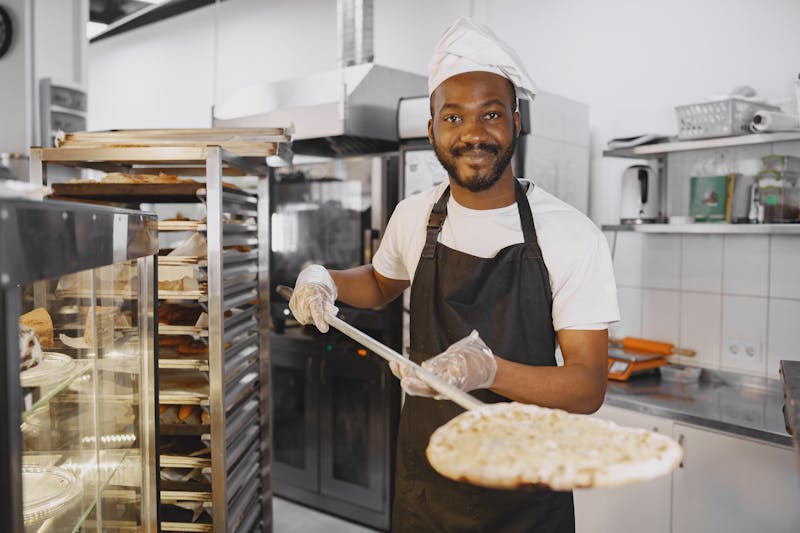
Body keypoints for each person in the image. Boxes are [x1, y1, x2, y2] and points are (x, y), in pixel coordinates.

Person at [289, 16, 620, 533]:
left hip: (526, 498)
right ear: (432, 130)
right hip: (428, 487)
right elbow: (379, 283)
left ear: (515, 120)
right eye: (453, 117)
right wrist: (324, 279)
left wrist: (490, 371)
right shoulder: (414, 215)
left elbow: (587, 386)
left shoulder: (571, 234)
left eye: (490, 113)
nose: (472, 133)